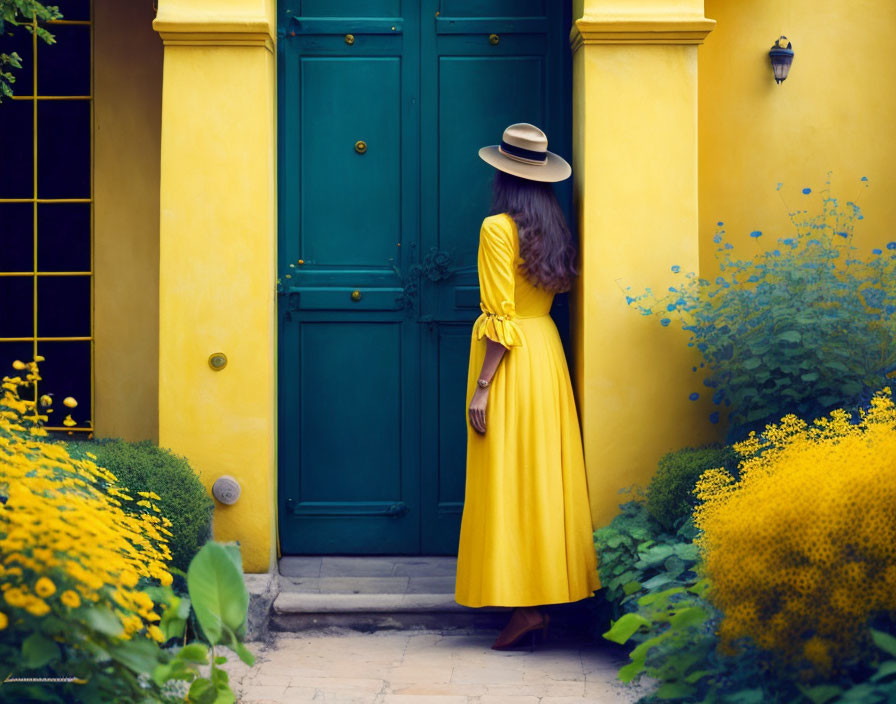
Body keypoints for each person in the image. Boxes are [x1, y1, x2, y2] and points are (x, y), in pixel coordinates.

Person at [454, 123, 601, 650]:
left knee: (509, 479)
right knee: (540, 477)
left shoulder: (497, 227)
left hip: (512, 362)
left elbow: (500, 313)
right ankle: (538, 599)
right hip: (547, 354)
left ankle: (526, 605)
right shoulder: (554, 225)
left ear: (503, 176)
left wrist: (484, 384)